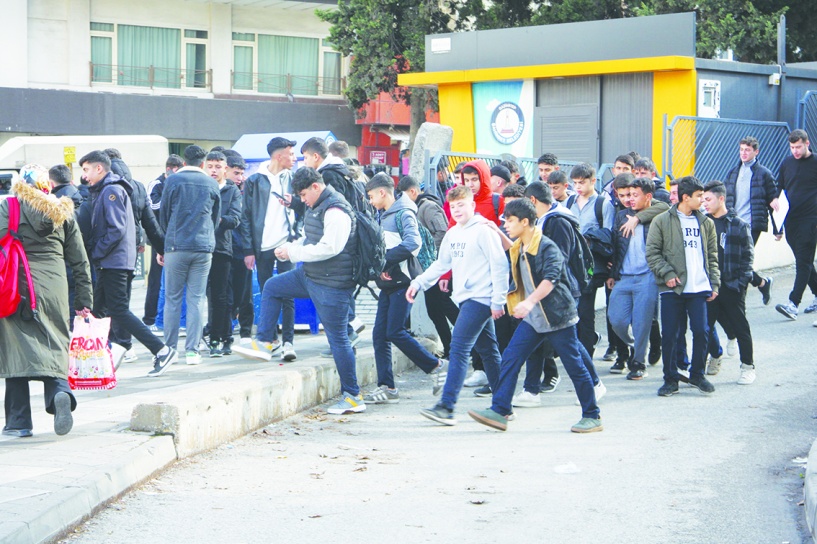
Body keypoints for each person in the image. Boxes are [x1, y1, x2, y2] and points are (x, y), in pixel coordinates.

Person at [236, 167, 365, 415]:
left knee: (338, 339)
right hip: (310, 275)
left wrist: (293, 253)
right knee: (272, 287)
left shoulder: (336, 210)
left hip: (332, 283)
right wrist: (290, 247)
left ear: (316, 187)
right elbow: (308, 238)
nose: (302, 200)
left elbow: (330, 248)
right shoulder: (316, 206)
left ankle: (353, 396)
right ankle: (265, 341)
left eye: (304, 194)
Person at [468, 198, 602, 433]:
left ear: (525, 222)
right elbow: (511, 247)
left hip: (558, 317)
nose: (505, 225)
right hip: (535, 319)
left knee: (574, 366)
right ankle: (500, 410)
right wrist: (495, 231)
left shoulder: (547, 247)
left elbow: (551, 279)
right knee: (511, 358)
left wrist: (529, 302)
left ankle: (592, 415)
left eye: (509, 221)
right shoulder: (521, 244)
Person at [407, 185, 509, 426]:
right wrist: (419, 282)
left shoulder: (484, 230)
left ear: (472, 205)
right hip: (465, 298)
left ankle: (447, 406)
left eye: (461, 205)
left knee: (459, 347)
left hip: (481, 298)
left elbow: (499, 265)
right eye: (453, 206)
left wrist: (498, 300)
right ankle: (504, 406)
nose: (457, 210)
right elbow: (441, 264)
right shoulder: (453, 233)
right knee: (489, 351)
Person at [0, 179, 93, 438]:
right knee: (55, 343)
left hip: (18, 287)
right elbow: (80, 260)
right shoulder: (63, 211)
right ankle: (60, 393)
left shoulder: (9, 207)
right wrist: (84, 300)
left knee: (17, 351)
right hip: (54, 289)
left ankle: (18, 422)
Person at [78, 150, 177, 377]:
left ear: (99, 168)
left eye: (86, 170)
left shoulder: (111, 190)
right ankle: (104, 357)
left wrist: (96, 251)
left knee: (118, 310)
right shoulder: (105, 189)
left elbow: (117, 228)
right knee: (97, 311)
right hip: (111, 260)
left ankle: (161, 350)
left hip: (114, 261)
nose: (84, 176)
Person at [363, 173, 448, 404]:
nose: (370, 201)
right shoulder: (382, 214)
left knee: (394, 331)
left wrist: (385, 263)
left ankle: (436, 365)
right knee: (379, 335)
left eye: (371, 196)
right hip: (389, 284)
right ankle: (387, 387)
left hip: (404, 282)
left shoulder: (403, 212)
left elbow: (413, 243)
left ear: (382, 192)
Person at [646, 176, 720, 397]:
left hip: (699, 288)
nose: (702, 200)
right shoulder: (661, 221)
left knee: (702, 331)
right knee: (670, 334)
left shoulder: (706, 223)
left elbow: (713, 256)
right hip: (673, 288)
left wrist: (714, 283)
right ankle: (670, 379)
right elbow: (652, 253)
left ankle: (697, 374)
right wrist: (667, 273)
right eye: (699, 196)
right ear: (686, 197)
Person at [159, 145, 221, 367]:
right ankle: (193, 351)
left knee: (172, 299)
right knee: (196, 299)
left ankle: (170, 349)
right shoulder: (212, 183)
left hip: (176, 246)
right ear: (203, 163)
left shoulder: (173, 180)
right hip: (203, 247)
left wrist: (167, 240)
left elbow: (164, 215)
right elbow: (216, 218)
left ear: (184, 162)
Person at [104, 148, 164, 365]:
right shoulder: (137, 185)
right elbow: (150, 223)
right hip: (131, 250)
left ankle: (116, 344)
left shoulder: (107, 186)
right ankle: (124, 344)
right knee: (122, 300)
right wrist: (161, 248)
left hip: (108, 252)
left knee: (109, 304)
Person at [240, 137, 300, 352]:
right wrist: (249, 249)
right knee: (267, 294)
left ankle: (289, 342)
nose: (294, 158)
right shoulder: (254, 181)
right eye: (290, 154)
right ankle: (271, 340)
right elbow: (246, 216)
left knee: (288, 294)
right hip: (262, 246)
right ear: (278, 156)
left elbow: (303, 209)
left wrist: (296, 237)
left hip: (286, 244)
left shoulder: (294, 179)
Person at [607, 176, 669, 380]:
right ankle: (637, 344)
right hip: (623, 277)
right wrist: (612, 273)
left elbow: (665, 206)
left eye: (635, 195)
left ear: (648, 197)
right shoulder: (621, 215)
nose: (630, 199)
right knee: (616, 319)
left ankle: (638, 362)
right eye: (628, 195)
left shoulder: (659, 216)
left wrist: (639, 218)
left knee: (642, 322)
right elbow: (616, 246)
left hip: (647, 276)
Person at [397, 175, 459, 358]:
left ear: (413, 192)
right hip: (430, 268)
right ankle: (451, 348)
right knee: (434, 310)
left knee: (442, 307)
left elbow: (442, 232)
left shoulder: (428, 207)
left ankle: (464, 346)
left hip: (437, 267)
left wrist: (427, 251)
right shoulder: (417, 208)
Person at [701, 181, 756, 384]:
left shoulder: (738, 224)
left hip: (732, 284)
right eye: (703, 200)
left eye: (708, 199)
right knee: (704, 327)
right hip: (708, 285)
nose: (705, 203)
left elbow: (748, 256)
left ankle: (748, 367)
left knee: (740, 327)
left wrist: (741, 282)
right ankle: (701, 366)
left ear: (721, 198)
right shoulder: (703, 222)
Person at [719, 137, 778, 307]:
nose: (743, 153)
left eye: (747, 150)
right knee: (733, 261)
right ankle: (762, 283)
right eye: (741, 150)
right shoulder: (733, 172)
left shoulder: (764, 173)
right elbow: (725, 197)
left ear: (756, 152)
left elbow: (773, 201)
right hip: (733, 224)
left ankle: (740, 303)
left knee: (741, 261)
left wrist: (777, 229)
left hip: (752, 225)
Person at [567, 163, 615, 359]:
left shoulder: (603, 204)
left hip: (591, 266)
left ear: (593, 181)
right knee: (572, 312)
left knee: (586, 312)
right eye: (575, 183)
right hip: (571, 265)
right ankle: (576, 351)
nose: (578, 186)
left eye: (582, 182)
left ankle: (586, 354)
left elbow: (609, 235)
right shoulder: (569, 202)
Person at [775, 129, 817, 321]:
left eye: (798, 147)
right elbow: (780, 187)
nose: (795, 151)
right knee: (804, 261)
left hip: (811, 220)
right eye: (792, 147)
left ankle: (793, 304)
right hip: (791, 219)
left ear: (807, 144)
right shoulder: (787, 163)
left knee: (803, 262)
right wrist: (774, 199)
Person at [203, 151, 242, 357]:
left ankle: (220, 337)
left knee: (221, 295)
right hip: (200, 247)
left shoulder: (232, 190)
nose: (214, 170)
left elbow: (235, 218)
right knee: (206, 295)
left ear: (225, 169)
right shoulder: (201, 186)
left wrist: (217, 220)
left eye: (218, 167)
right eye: (210, 166)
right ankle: (216, 335)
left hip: (221, 249)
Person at [143, 154, 183, 333]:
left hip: (176, 237)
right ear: (169, 170)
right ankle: (150, 318)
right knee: (156, 279)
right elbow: (154, 206)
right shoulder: (156, 184)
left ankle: (173, 318)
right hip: (159, 237)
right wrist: (169, 193)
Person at [225, 153, 253, 348]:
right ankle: (223, 332)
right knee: (224, 296)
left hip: (243, 249)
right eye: (236, 173)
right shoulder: (218, 191)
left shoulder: (246, 193)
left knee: (245, 294)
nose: (240, 178)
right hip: (224, 249)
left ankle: (245, 331)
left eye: (242, 174)